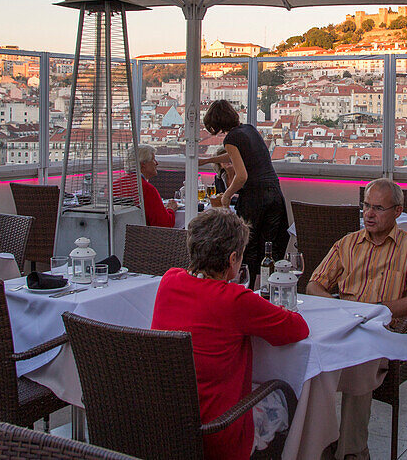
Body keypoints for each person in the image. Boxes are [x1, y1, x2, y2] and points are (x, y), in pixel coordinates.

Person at [151, 208, 308, 460]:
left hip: (169, 427)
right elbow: (297, 328)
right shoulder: (235, 300)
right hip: (220, 433)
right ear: (234, 258)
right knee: (286, 398)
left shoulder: (169, 280)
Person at [307, 178, 407, 460]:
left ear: (397, 212)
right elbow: (314, 284)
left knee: (360, 362)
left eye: (378, 208)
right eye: (366, 206)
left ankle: (351, 452)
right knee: (309, 359)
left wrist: (381, 309)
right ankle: (315, 445)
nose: (368, 214)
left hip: (382, 332)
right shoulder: (348, 244)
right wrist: (338, 310)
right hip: (344, 326)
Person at [198, 100, 289, 285]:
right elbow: (239, 156)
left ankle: (246, 288)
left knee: (247, 247)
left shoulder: (231, 139)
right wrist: (209, 160)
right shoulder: (249, 129)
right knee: (269, 246)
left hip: (256, 197)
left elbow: (241, 177)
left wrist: (226, 195)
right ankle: (268, 288)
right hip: (274, 192)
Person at [114, 145, 178, 228]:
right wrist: (171, 209)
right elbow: (164, 225)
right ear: (143, 164)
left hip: (117, 235)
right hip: (141, 237)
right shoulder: (146, 189)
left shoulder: (115, 186)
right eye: (153, 159)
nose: (157, 163)